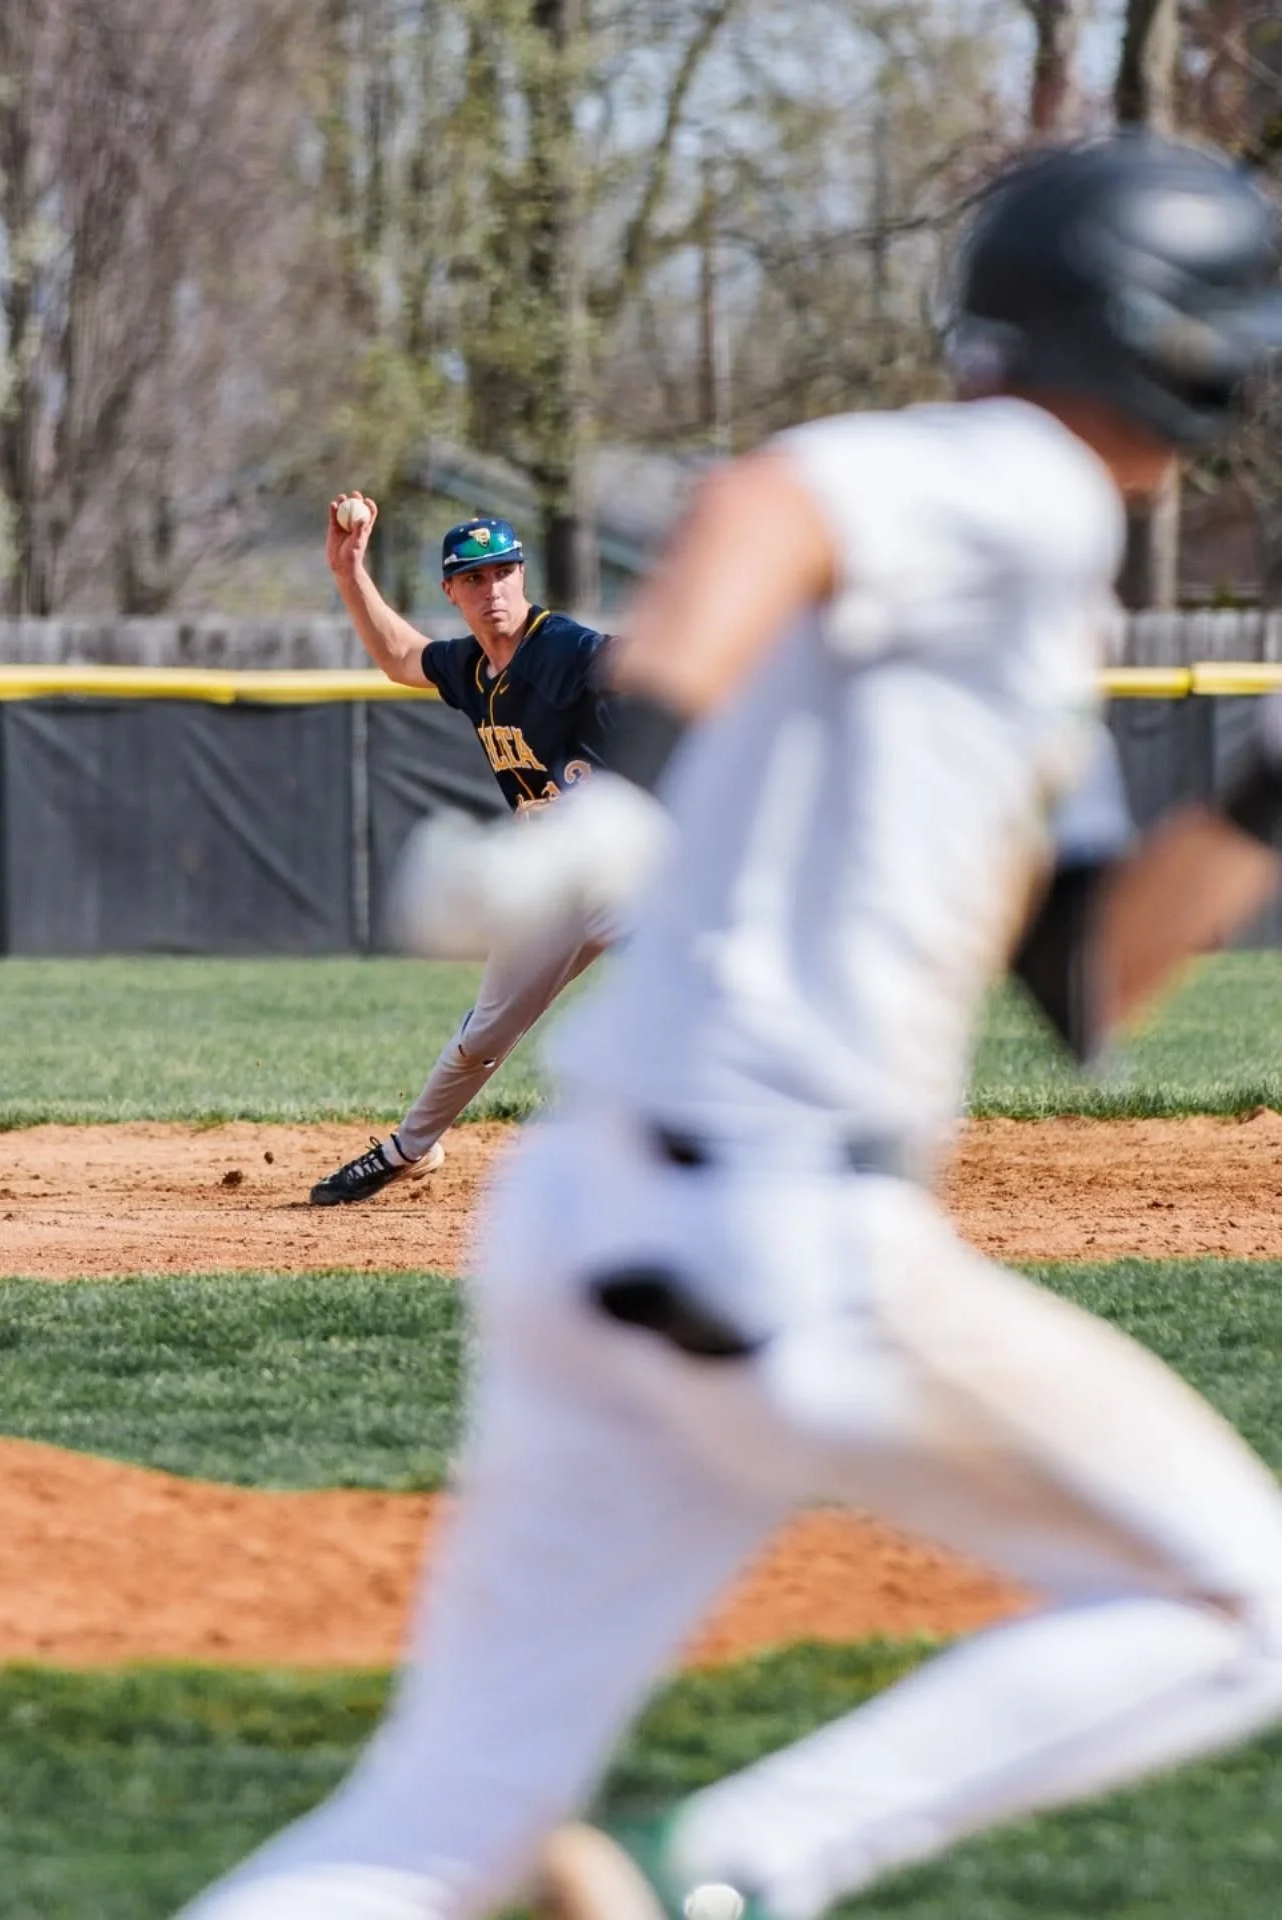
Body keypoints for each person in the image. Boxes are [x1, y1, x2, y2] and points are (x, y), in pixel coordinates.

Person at [178, 133, 1282, 1920]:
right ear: (1183, 341)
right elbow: (777, 504)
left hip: (599, 1225)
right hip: (780, 1242)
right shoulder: (1035, 477)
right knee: (1247, 1606)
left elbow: (1087, 982)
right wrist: (636, 798)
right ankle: (746, 1867)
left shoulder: (1017, 582)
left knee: (433, 1826)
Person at [309, 504, 614, 1206]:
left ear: (523, 575)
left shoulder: (559, 645)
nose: (493, 589)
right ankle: (409, 1150)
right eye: (474, 578)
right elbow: (398, 658)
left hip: (635, 862)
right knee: (487, 1031)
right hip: (554, 880)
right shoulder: (472, 667)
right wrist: (349, 570)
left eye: (505, 571)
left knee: (710, 990)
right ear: (452, 592)